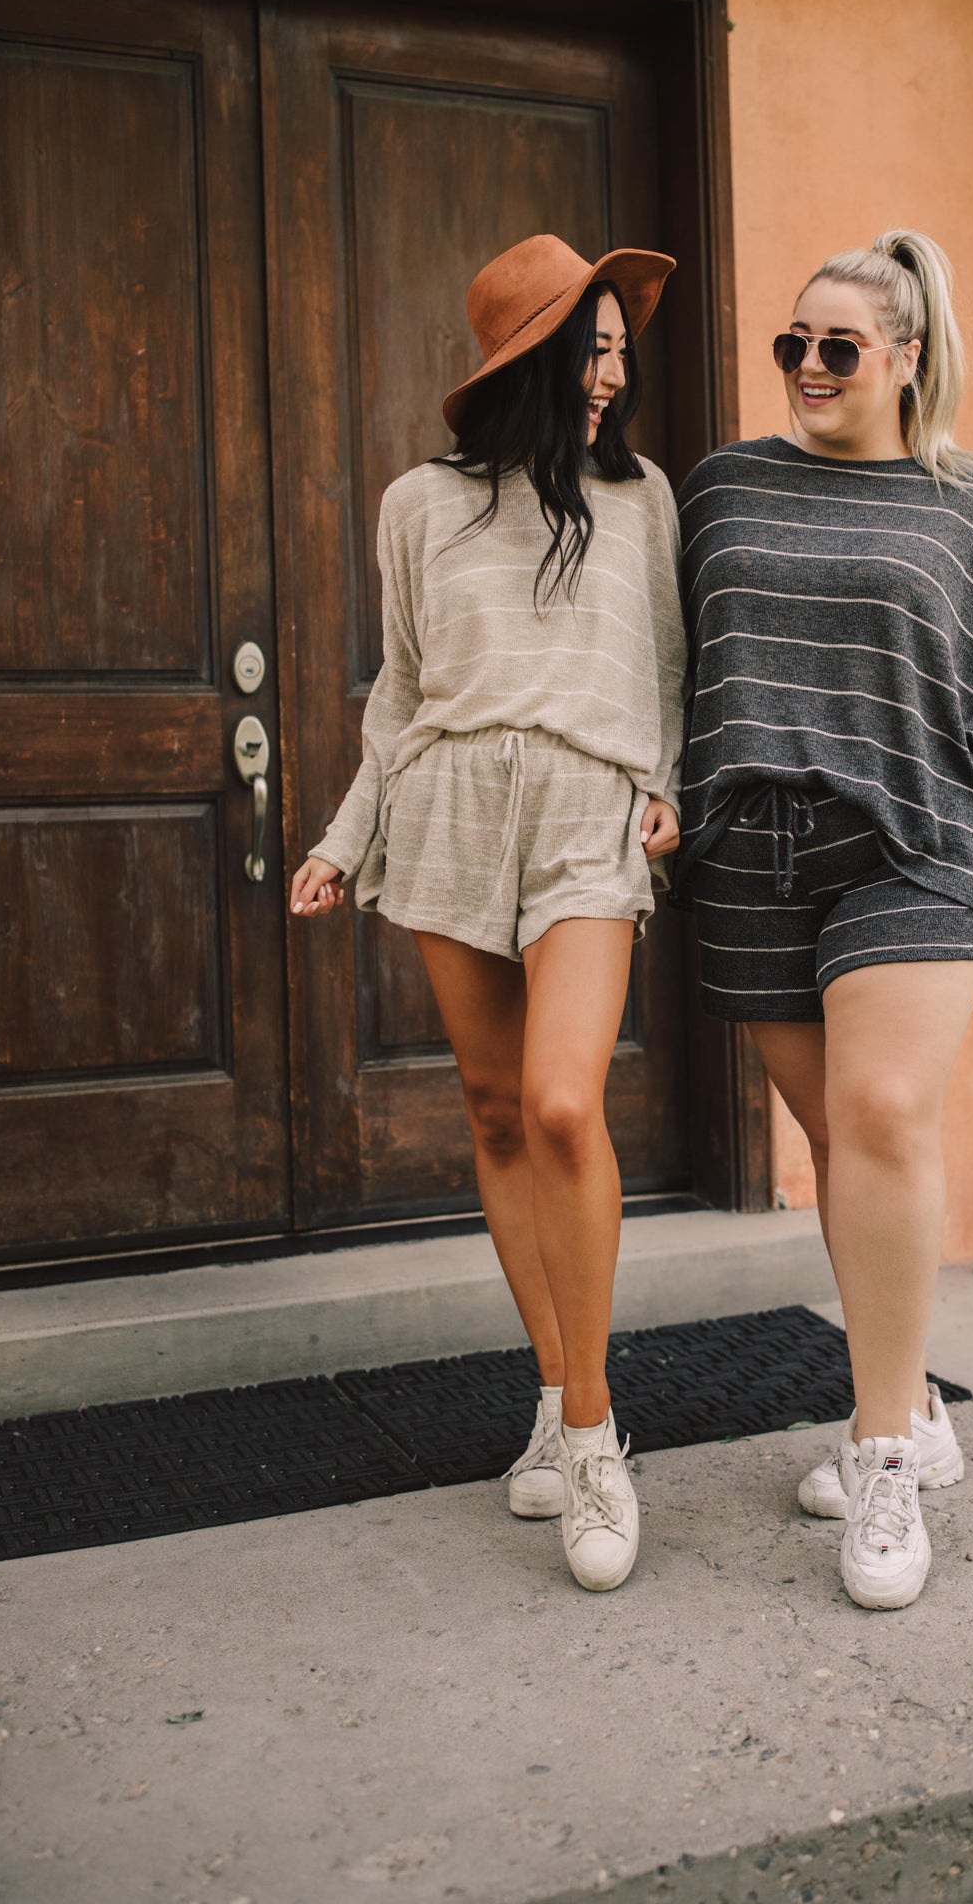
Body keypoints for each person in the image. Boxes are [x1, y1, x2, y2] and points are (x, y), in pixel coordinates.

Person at [674, 230, 973, 1610]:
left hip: (927, 841)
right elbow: (664, 661)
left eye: (836, 347)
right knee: (845, 1145)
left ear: (905, 359)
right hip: (752, 858)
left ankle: (884, 1452)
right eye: (791, 345)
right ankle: (909, 1403)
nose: (806, 368)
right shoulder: (721, 489)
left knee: (887, 1113)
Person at [289, 235, 685, 1595]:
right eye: (595, 343)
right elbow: (397, 697)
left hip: (584, 817)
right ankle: (554, 1385)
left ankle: (591, 1436)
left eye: (622, 345)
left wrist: (665, 787)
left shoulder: (641, 499)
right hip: (447, 811)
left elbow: (670, 677)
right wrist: (346, 838)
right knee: (495, 1107)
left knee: (565, 1104)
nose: (614, 368)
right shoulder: (419, 504)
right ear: (531, 355)